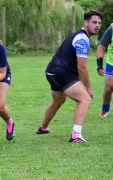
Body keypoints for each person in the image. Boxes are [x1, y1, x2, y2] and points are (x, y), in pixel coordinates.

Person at [36, 10, 102, 143]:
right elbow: (81, 67)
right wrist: (88, 88)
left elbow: (76, 66)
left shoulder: (78, 35)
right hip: (61, 73)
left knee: (58, 101)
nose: (97, 25)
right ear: (86, 23)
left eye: (99, 23)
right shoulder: (82, 39)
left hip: (52, 72)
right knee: (85, 99)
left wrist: (79, 82)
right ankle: (76, 135)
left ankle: (43, 128)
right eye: (94, 22)